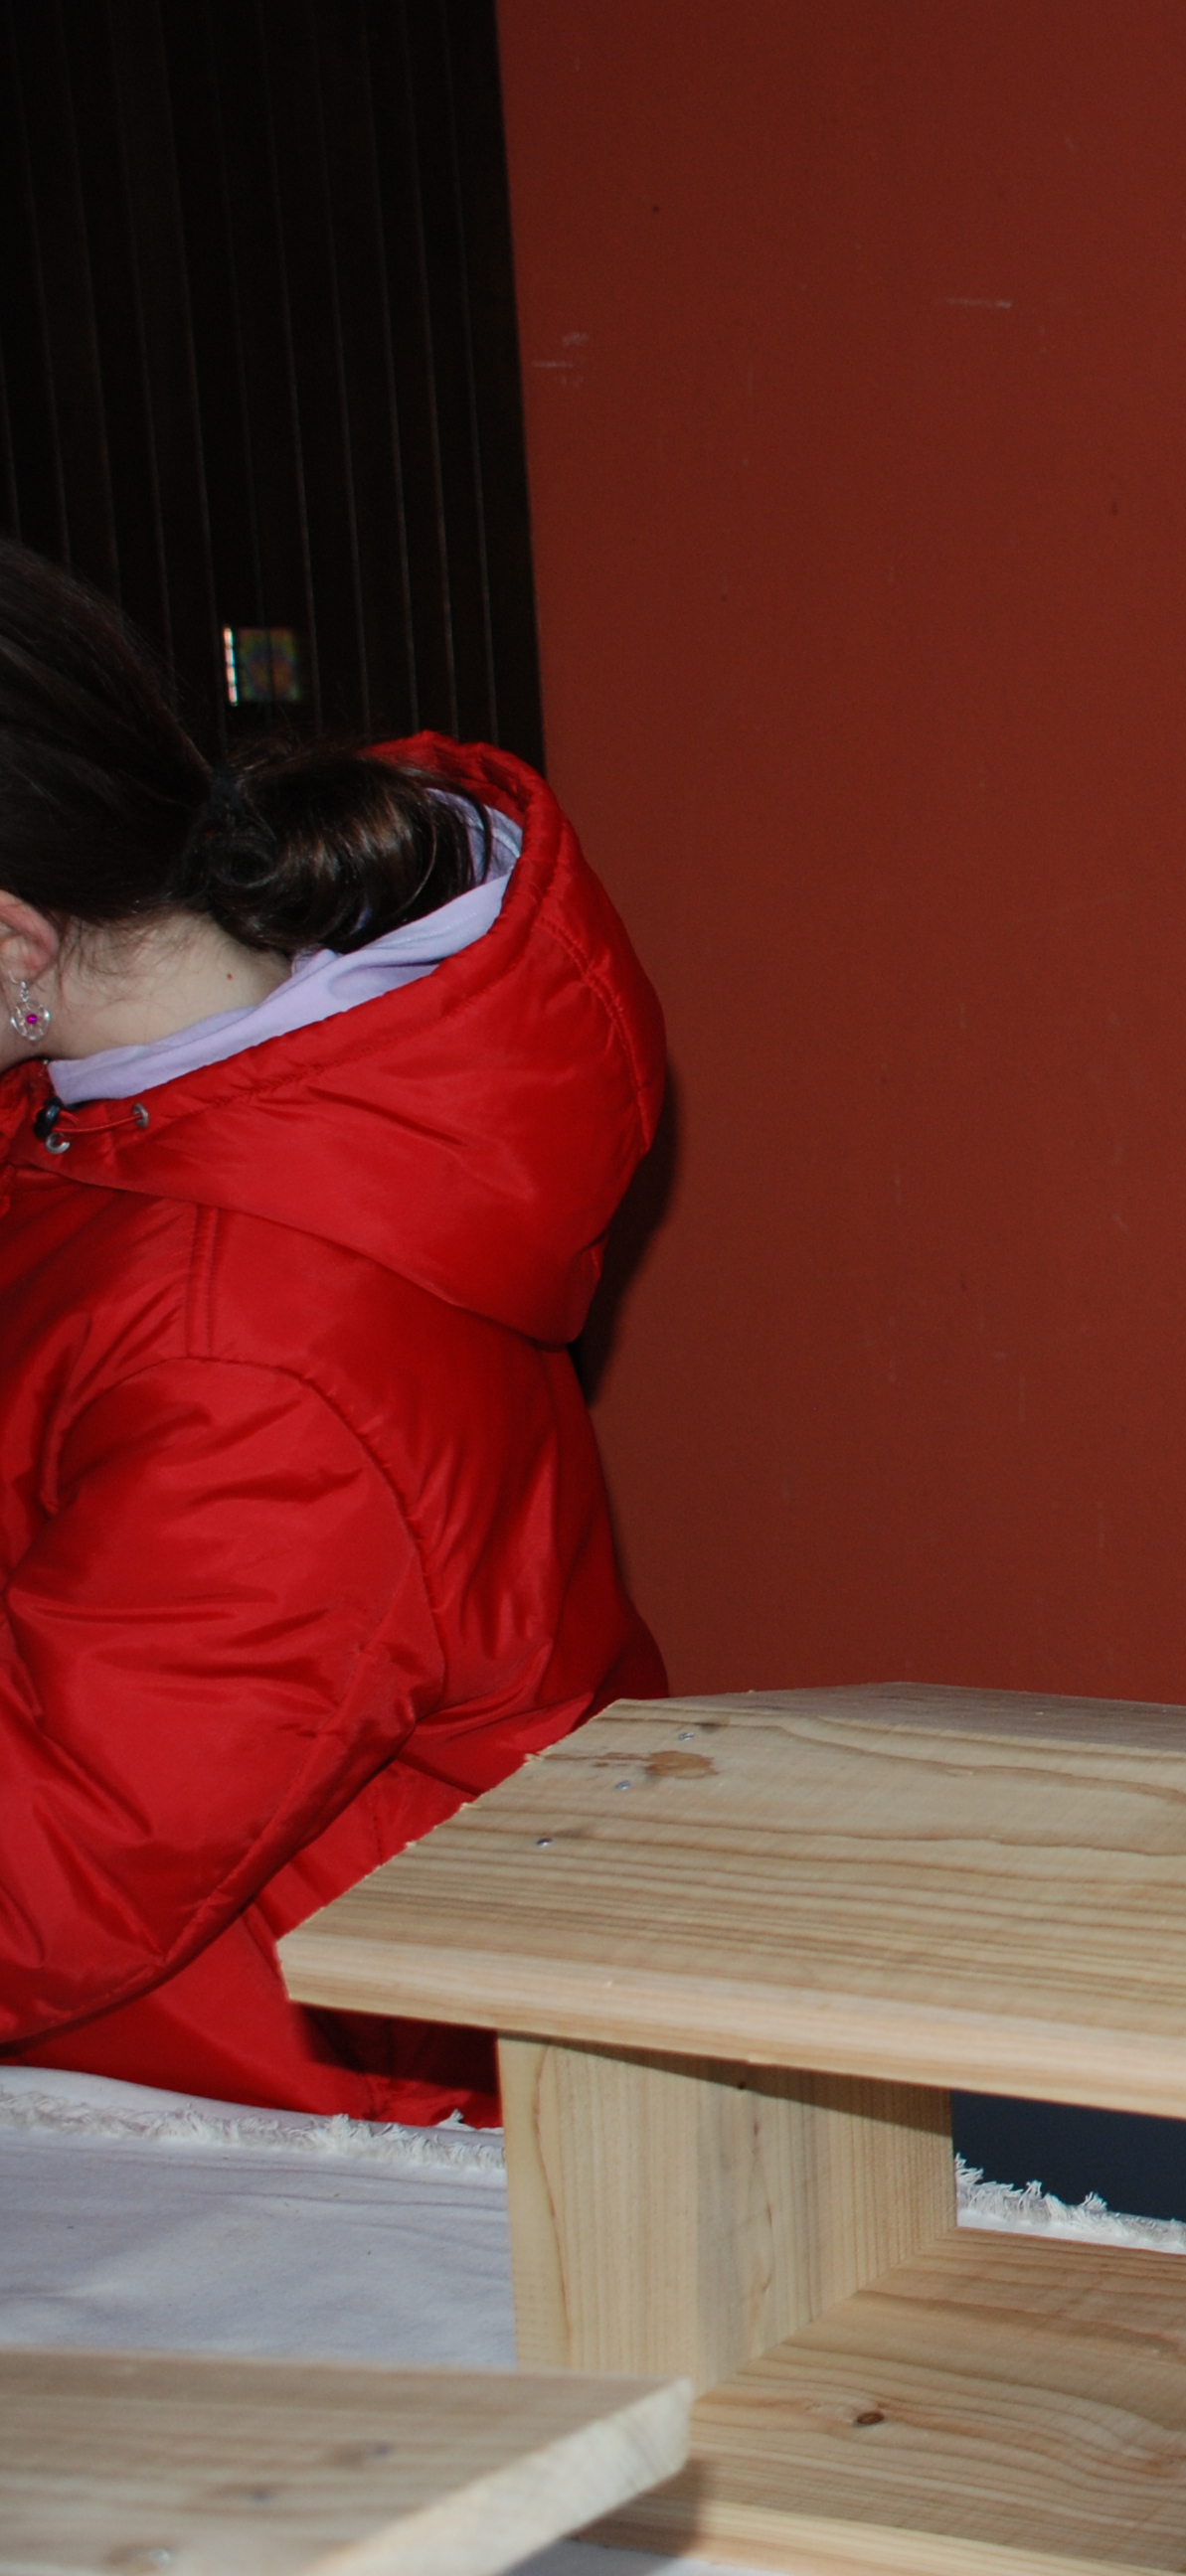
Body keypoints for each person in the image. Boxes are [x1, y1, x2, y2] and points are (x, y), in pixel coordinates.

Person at [0, 542, 667, 2126]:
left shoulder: (265, 1354)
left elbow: (47, 1872)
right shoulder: (114, 1105)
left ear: (17, 948)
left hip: (343, 2135)